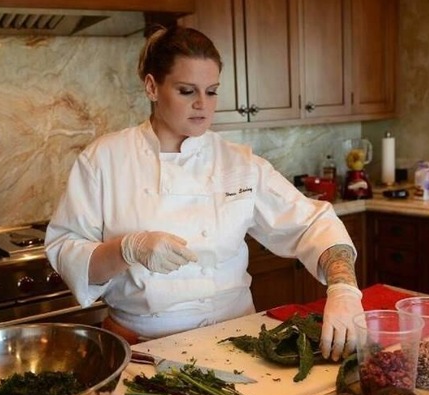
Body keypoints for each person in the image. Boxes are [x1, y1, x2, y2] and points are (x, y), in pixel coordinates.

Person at [45, 25, 363, 361]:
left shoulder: (238, 162)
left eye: (211, 91)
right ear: (152, 87)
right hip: (144, 349)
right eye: (186, 91)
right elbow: (68, 252)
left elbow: (312, 223)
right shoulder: (104, 160)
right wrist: (128, 249)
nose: (202, 105)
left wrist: (343, 288)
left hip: (240, 343)